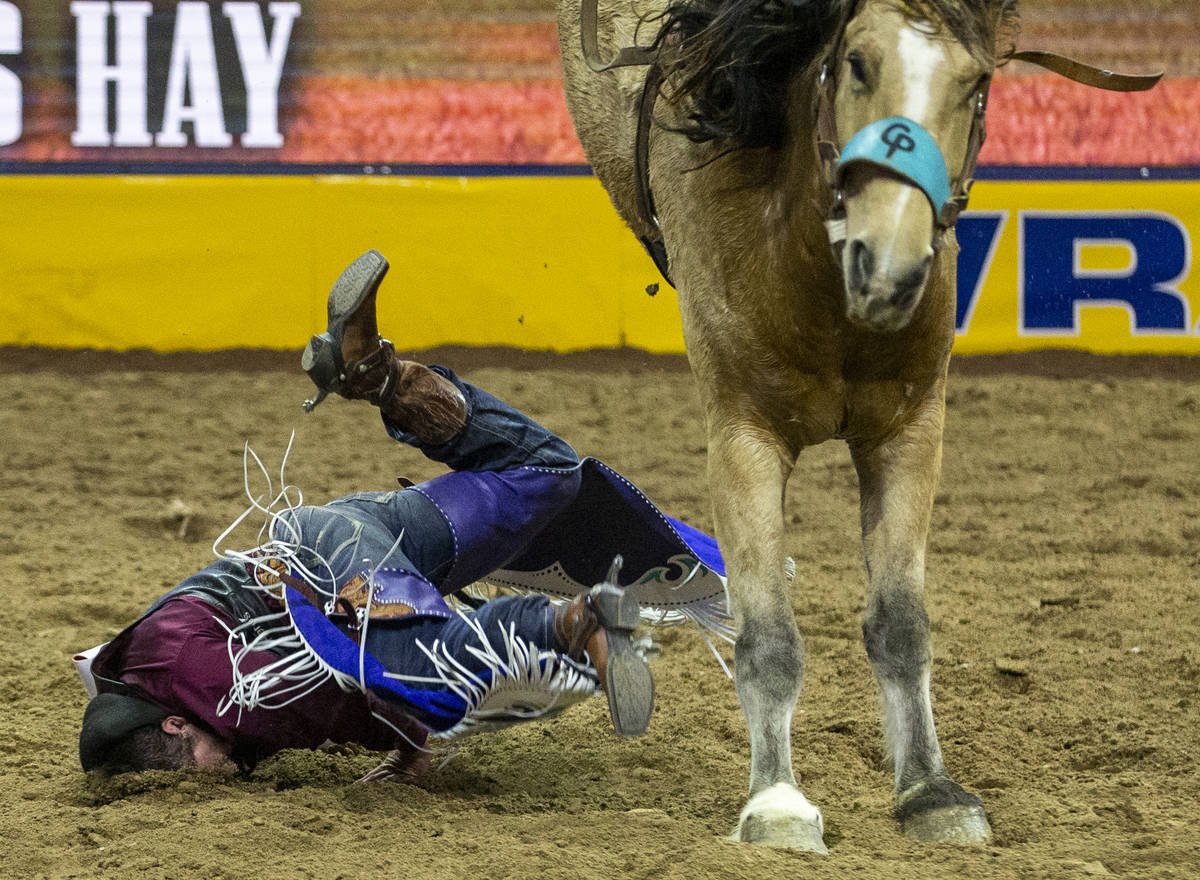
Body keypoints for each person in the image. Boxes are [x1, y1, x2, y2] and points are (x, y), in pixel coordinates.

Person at [78, 250, 729, 780]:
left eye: (191, 763)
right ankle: (380, 376)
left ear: (171, 721)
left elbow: (309, 701)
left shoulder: (181, 677)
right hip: (352, 531)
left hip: (331, 557)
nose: (208, 775)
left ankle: (574, 621)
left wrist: (409, 739)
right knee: (545, 476)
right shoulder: (159, 663)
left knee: (413, 664)